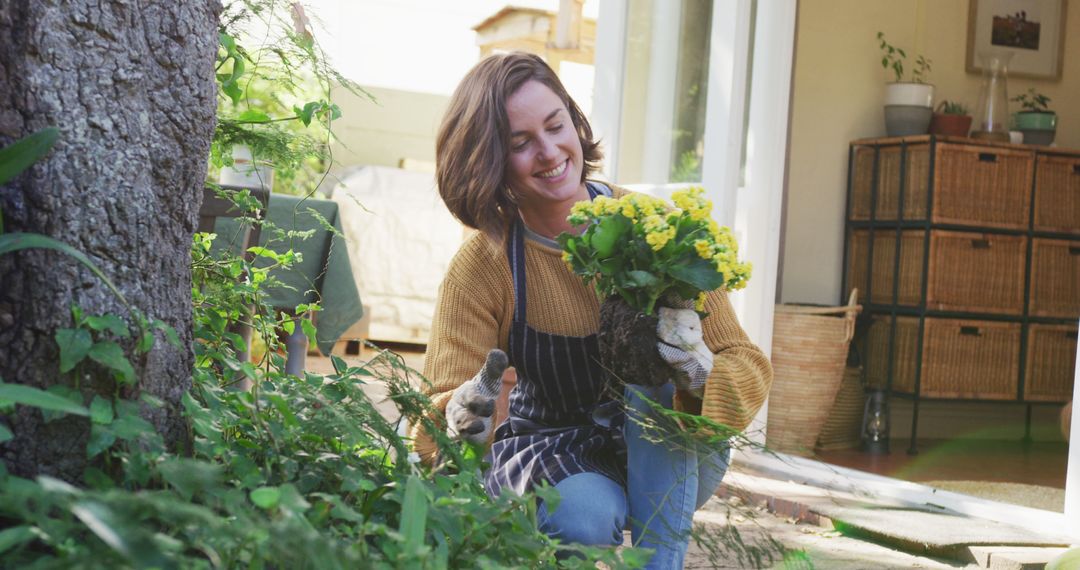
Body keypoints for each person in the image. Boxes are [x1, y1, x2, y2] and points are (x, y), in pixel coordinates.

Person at [412, 52, 773, 568]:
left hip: (656, 451)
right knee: (584, 515)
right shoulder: (484, 264)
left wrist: (699, 369)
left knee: (654, 380)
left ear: (575, 122)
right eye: (520, 143)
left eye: (556, 126)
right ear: (489, 161)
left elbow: (747, 360)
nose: (550, 151)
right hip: (547, 449)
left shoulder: (656, 229)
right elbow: (432, 419)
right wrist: (463, 413)